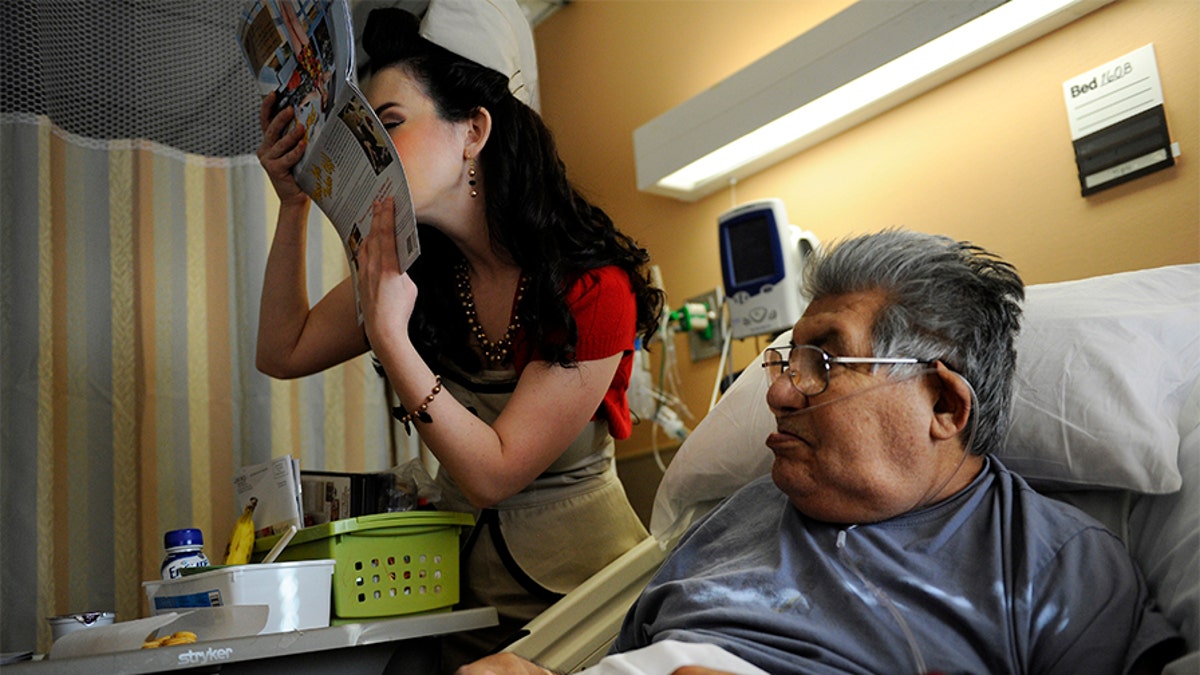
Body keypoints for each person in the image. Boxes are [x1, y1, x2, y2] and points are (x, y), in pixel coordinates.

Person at [458, 230, 1184, 675]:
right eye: (786, 361)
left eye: (824, 363)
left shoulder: (1054, 565)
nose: (777, 393)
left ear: (944, 404)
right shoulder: (734, 516)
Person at [254, 0, 663, 669]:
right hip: (470, 607)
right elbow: (282, 348)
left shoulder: (596, 288)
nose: (375, 155)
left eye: (390, 126)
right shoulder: (412, 272)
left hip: (594, 612)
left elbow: (492, 474)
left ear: (473, 130)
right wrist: (295, 203)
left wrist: (392, 340)